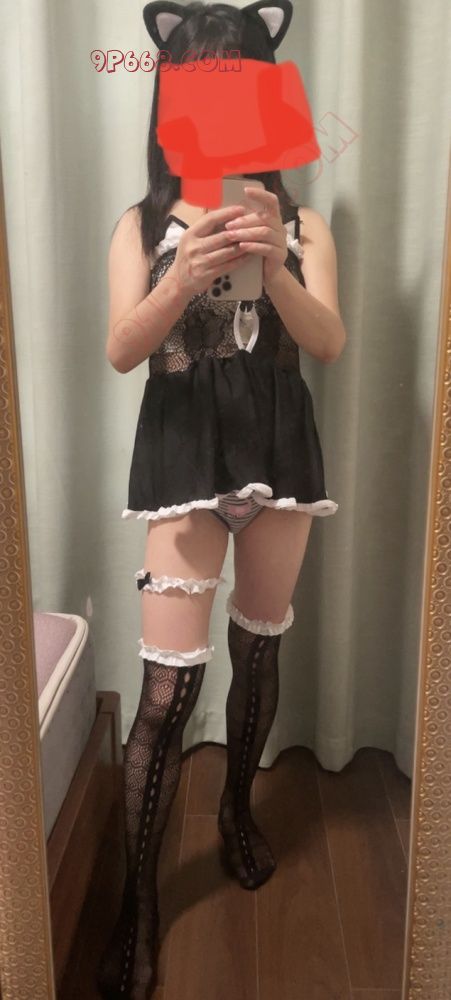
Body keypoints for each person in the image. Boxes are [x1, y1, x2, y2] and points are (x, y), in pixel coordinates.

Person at [97, 1, 346, 997]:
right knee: (165, 691)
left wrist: (275, 264)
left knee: (258, 651)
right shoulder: (140, 223)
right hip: (181, 453)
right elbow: (122, 351)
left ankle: (238, 807)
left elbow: (326, 342)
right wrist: (181, 274)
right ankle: (138, 901)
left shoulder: (305, 223)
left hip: (278, 454)